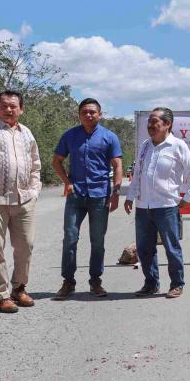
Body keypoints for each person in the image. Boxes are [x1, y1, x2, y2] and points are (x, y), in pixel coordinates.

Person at [52, 98, 123, 299]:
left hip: (100, 195)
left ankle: (95, 281)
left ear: (100, 114)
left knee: (97, 241)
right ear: (79, 115)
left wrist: (116, 192)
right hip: (76, 196)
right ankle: (68, 282)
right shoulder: (70, 136)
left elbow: (117, 164)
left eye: (92, 112)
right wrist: (67, 181)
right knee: (70, 239)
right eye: (84, 112)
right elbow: (56, 161)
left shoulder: (109, 137)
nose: (88, 115)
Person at [124, 107, 190, 299]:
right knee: (144, 249)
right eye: (149, 121)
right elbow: (138, 174)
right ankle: (151, 283)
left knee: (171, 247)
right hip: (143, 207)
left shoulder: (178, 145)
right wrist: (131, 196)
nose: (150, 125)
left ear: (167, 124)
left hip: (166, 207)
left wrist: (187, 197)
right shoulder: (145, 146)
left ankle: (177, 284)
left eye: (155, 121)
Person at [0, 90, 41, 314]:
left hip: (24, 200)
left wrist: (34, 190)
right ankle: (2, 295)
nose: (8, 110)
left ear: (21, 109)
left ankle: (19, 288)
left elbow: (35, 163)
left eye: (13, 106)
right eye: (4, 106)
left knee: (25, 246)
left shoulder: (26, 132)